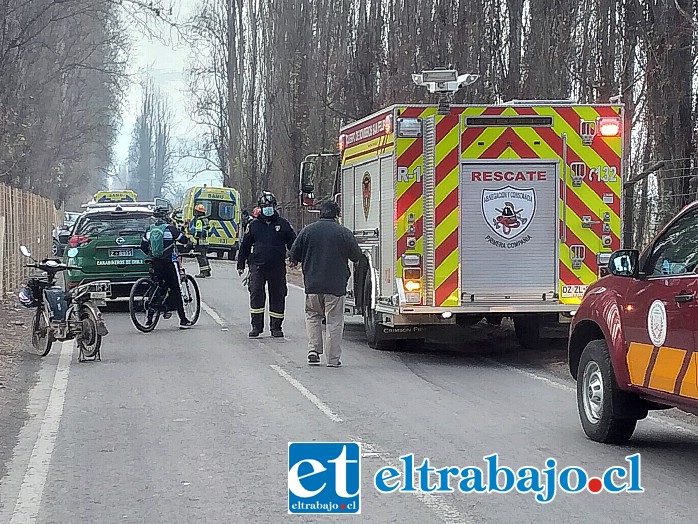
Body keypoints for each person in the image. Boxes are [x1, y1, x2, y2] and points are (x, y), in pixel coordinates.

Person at [289, 201, 361, 367]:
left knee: (313, 316)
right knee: (334, 321)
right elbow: (356, 256)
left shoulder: (308, 231)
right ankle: (333, 359)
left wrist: (294, 260)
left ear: (320, 213)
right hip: (335, 287)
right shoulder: (344, 233)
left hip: (313, 285)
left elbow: (294, 253)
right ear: (336, 215)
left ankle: (313, 350)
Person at [237, 191, 296, 338]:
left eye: (269, 206)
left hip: (277, 267)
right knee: (256, 294)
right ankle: (256, 327)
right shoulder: (254, 225)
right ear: (260, 208)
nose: (267, 208)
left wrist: (295, 258)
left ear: (274, 207)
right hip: (257, 267)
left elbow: (293, 243)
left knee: (278, 296)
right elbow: (245, 245)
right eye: (264, 206)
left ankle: (276, 327)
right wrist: (241, 264)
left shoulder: (283, 225)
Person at [140, 209, 194, 329]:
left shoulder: (149, 230)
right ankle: (183, 320)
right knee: (176, 289)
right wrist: (189, 245)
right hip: (168, 263)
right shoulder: (171, 229)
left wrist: (153, 254)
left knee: (154, 287)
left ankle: (149, 320)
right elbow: (184, 240)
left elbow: (143, 246)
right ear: (166, 217)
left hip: (155, 263)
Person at [190, 203, 211, 278]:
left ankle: (203, 272)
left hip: (200, 242)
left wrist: (194, 237)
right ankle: (207, 271)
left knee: (200, 257)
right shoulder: (206, 219)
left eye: (196, 211)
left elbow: (198, 232)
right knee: (204, 256)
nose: (195, 213)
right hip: (205, 242)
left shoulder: (199, 221)